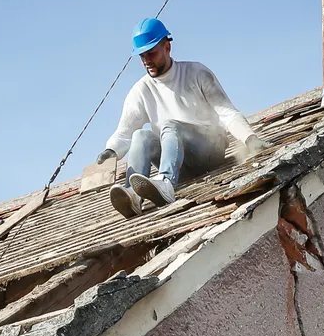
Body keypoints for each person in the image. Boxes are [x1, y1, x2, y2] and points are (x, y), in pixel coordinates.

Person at [95, 18, 272, 218]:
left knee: (170, 126)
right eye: (142, 56)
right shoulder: (141, 90)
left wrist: (250, 138)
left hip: (209, 152)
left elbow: (226, 112)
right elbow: (125, 133)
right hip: (180, 164)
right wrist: (111, 151)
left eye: (151, 53)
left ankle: (167, 185)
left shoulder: (196, 72)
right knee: (141, 136)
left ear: (167, 47)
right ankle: (133, 196)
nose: (147, 61)